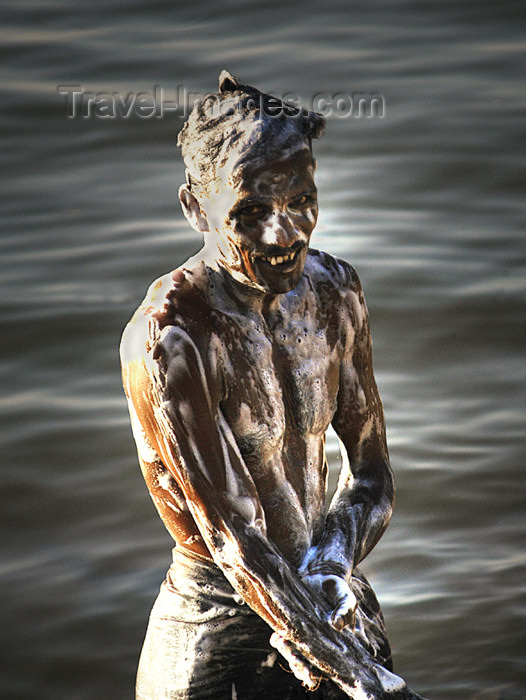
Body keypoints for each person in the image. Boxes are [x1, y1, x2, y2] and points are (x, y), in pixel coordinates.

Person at [120, 71, 424, 699]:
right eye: (250, 213)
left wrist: (334, 561)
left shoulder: (335, 293)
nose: (284, 235)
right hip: (218, 626)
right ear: (194, 208)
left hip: (326, 591)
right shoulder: (172, 340)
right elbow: (233, 540)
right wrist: (362, 677)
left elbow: (372, 476)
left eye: (301, 203)